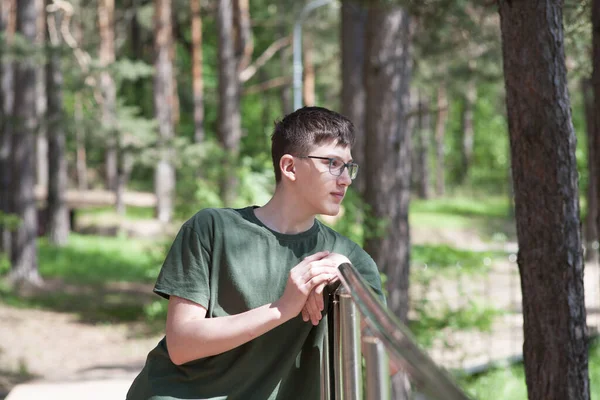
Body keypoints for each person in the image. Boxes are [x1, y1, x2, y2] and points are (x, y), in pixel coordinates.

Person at [126, 106, 385, 400]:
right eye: (332, 163)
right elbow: (182, 345)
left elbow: (391, 365)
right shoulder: (212, 228)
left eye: (348, 166)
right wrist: (283, 308)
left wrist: (350, 280)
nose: (346, 179)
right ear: (289, 167)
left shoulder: (348, 258)